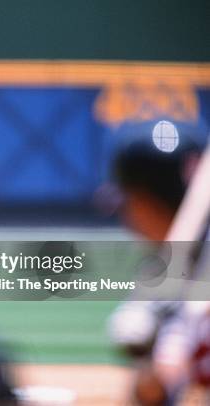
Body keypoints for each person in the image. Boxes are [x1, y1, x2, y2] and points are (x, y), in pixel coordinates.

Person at [105, 120, 209, 405]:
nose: (126, 217)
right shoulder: (162, 272)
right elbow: (154, 394)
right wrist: (149, 366)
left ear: (151, 201)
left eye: (130, 200)